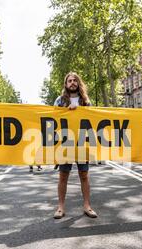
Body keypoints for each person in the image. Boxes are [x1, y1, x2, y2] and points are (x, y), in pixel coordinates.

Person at [53, 72, 97, 219]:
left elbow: (92, 120)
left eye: (74, 80)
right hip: (65, 144)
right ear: (66, 84)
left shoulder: (85, 101)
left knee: (84, 175)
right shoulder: (60, 101)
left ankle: (87, 206)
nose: (72, 83)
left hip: (82, 144)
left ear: (78, 83)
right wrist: (67, 111)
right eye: (69, 81)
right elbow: (53, 119)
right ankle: (60, 207)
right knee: (63, 176)